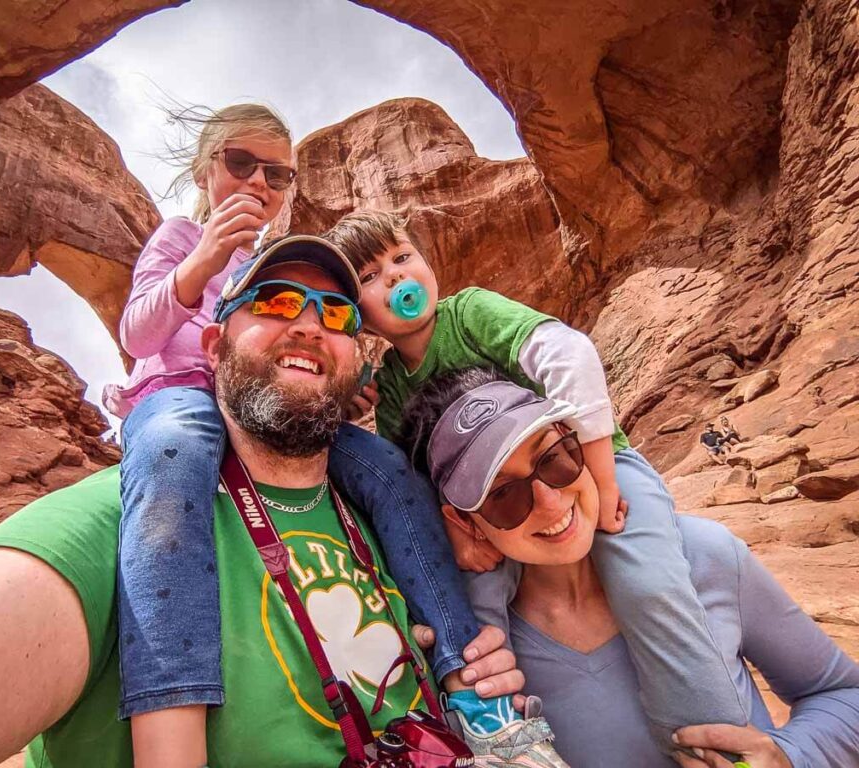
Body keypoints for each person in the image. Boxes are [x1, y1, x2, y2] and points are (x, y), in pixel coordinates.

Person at [0, 245, 525, 768]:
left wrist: (478, 666)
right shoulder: (125, 522)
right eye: (278, 303)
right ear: (215, 342)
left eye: (335, 315)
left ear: (356, 357)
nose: (310, 326)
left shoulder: (378, 508)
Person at [103, 105, 520, 765]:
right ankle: (169, 738)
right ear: (205, 167)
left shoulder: (270, 261)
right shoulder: (182, 235)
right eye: (242, 164)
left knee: (384, 468)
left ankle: (472, 689)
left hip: (259, 406)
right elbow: (138, 334)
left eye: (278, 174)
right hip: (180, 396)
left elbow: (296, 355)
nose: (259, 184)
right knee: (172, 455)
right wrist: (205, 255)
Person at [323, 210, 752, 752]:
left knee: (650, 586)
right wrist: (458, 533)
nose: (395, 277)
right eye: (369, 277)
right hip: (500, 515)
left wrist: (601, 476)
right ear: (355, 317)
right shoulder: (389, 387)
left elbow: (566, 354)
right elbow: (414, 480)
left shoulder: (470, 313)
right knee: (473, 619)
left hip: (589, 467)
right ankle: (501, 740)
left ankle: (712, 742)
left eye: (402, 257)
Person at [398, 367, 859, 767]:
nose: (550, 499)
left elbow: (841, 694)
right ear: (464, 523)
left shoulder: (704, 555)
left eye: (554, 458)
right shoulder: (480, 660)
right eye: (503, 494)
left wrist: (791, 756)